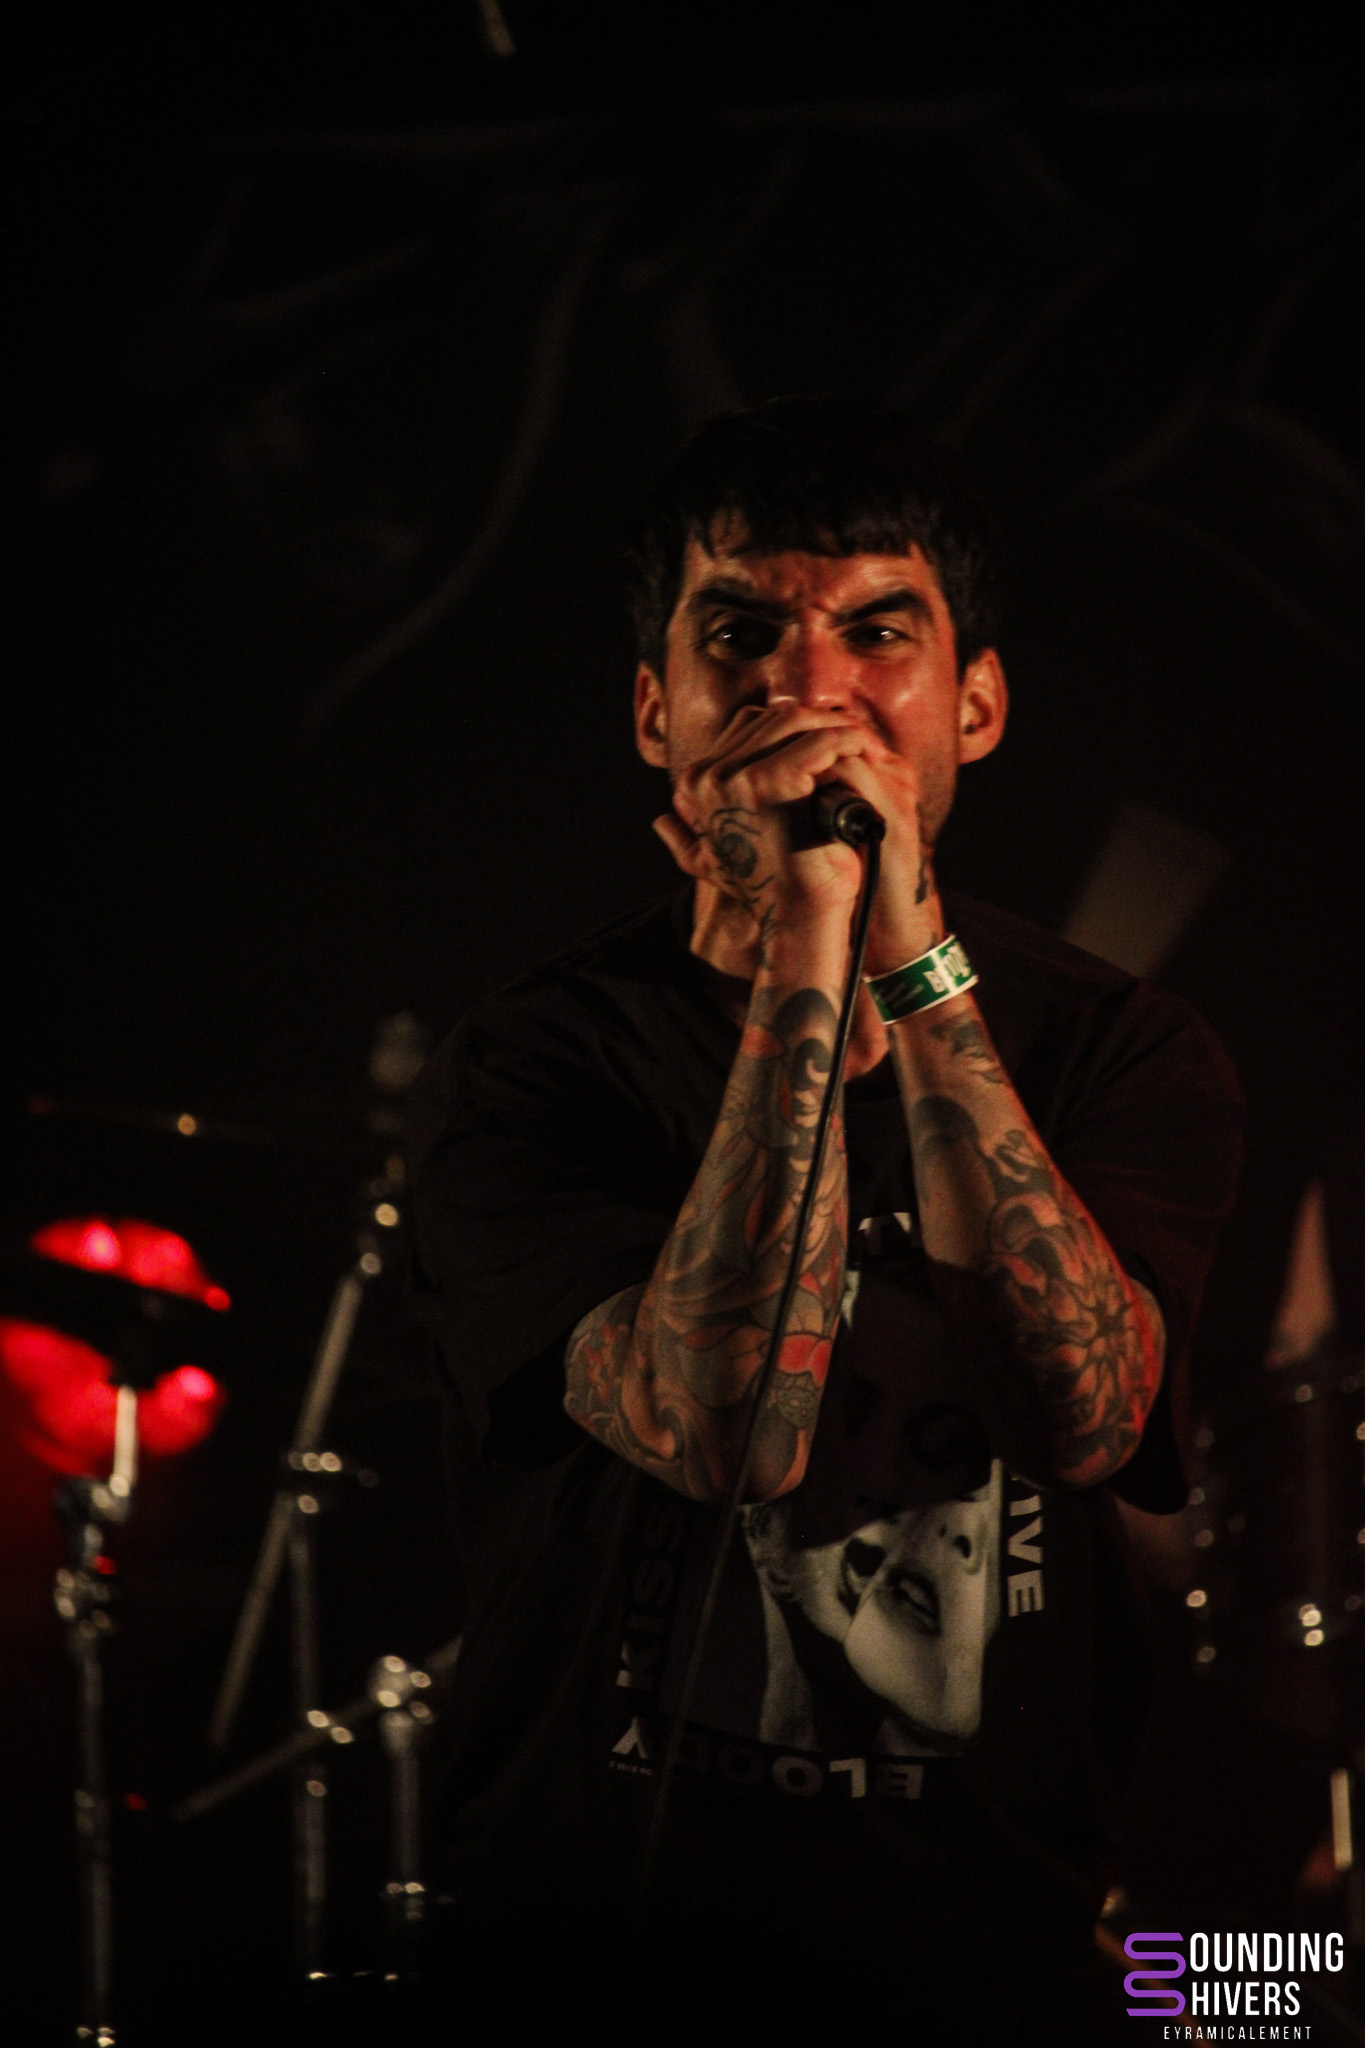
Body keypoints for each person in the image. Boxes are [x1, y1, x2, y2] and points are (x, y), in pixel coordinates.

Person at [408, 397, 1243, 2043]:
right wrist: (805, 933)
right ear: (654, 709)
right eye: (739, 635)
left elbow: (1081, 1418)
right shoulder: (529, 1062)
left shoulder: (1122, 1049)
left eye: (877, 633)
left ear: (975, 705)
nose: (806, 693)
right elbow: (721, 1432)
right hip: (586, 1964)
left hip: (995, 1969)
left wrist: (905, 951)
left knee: (1282, 2004)